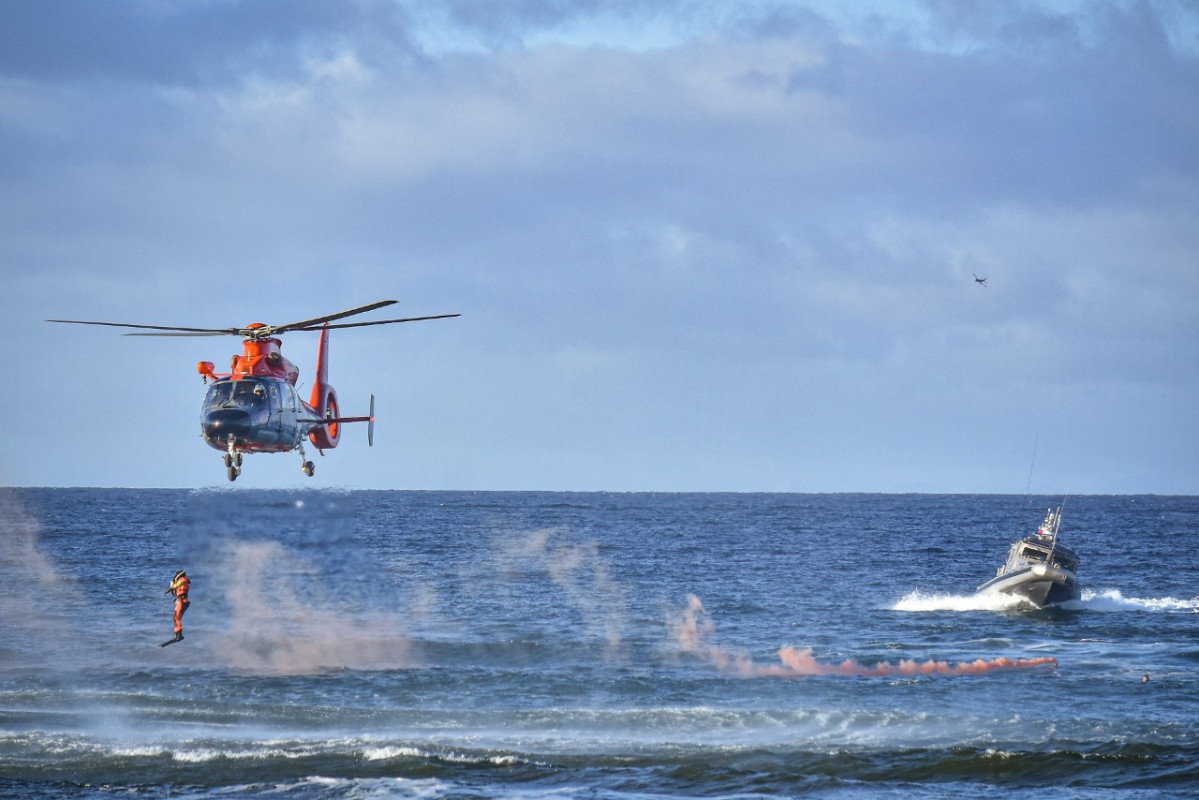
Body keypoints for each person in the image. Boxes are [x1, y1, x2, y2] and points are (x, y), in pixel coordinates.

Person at [165, 569, 190, 642]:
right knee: (176, 618)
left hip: (182, 601)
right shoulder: (179, 580)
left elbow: (179, 584)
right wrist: (172, 583)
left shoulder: (183, 579)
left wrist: (171, 588)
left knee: (176, 617)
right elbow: (174, 586)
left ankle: (179, 635)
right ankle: (178, 634)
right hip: (182, 601)